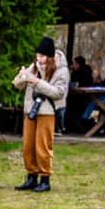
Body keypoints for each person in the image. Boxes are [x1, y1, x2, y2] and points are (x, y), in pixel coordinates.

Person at [11, 37, 70, 192]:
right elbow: (17, 85)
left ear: (50, 56)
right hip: (30, 110)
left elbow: (58, 92)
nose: (39, 59)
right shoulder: (34, 67)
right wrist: (21, 76)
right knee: (28, 146)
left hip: (47, 112)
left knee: (42, 146)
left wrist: (38, 83)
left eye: (42, 56)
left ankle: (45, 178)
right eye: (37, 56)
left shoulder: (61, 70)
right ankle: (31, 176)